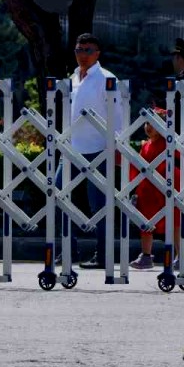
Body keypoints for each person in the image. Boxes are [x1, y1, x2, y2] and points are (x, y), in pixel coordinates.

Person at [60, 34, 126, 269]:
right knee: (59, 195)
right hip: (72, 148)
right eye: (79, 50)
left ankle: (103, 254)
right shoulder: (73, 78)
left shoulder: (107, 79)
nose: (82, 55)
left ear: (97, 54)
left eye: (87, 50)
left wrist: (116, 146)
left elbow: (117, 117)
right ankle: (69, 248)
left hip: (99, 149)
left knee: (100, 204)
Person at [128, 108, 184, 270]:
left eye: (153, 123)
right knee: (145, 223)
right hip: (148, 189)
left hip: (166, 185)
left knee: (174, 222)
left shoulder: (168, 142)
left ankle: (181, 255)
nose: (148, 127)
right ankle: (146, 255)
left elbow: (181, 155)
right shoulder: (145, 145)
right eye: (146, 123)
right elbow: (138, 166)